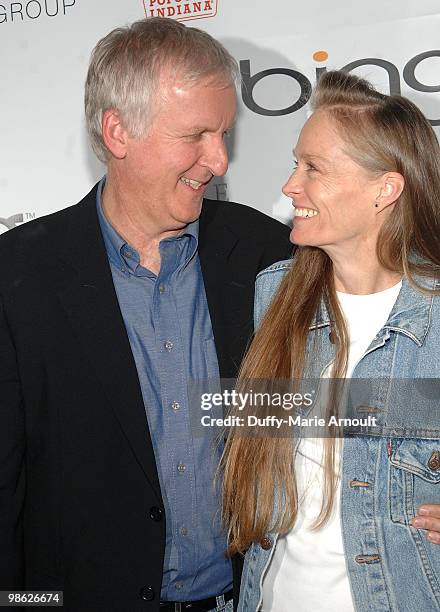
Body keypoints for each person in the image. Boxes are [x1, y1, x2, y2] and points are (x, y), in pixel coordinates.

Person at [0, 18, 291, 612]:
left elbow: (339, 403)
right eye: (197, 135)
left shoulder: (267, 253)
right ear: (118, 132)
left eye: (225, 134)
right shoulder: (17, 277)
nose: (220, 161)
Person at [222, 70, 440, 612]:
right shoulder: (274, 293)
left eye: (313, 168)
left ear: (385, 189)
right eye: (297, 163)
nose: (290, 186)